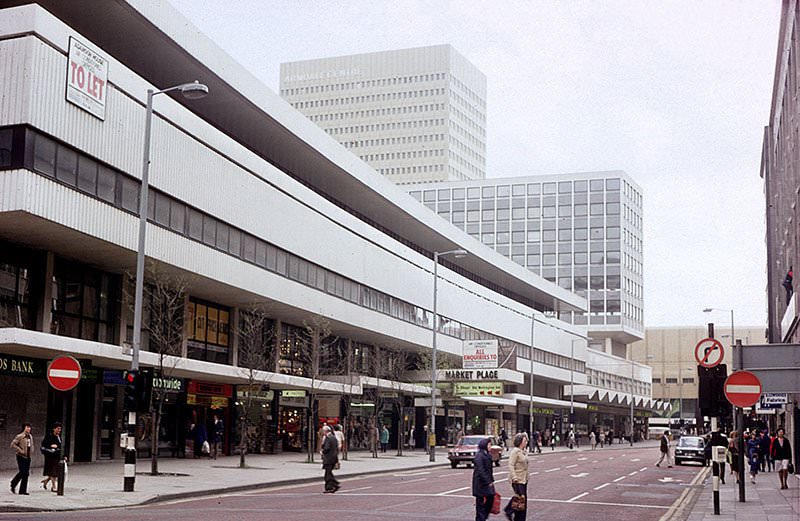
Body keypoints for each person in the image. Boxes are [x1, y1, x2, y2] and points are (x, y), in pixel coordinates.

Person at [503, 433, 529, 521]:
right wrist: (514, 477)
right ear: (520, 442)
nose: (526, 442)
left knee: (521, 500)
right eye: (525, 441)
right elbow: (511, 465)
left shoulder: (523, 451)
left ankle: (518, 517)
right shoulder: (515, 452)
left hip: (524, 479)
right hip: (517, 479)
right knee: (521, 498)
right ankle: (509, 510)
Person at [472, 437, 495, 521]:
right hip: (480, 484)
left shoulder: (487, 454)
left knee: (490, 498)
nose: (490, 446)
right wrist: (488, 481)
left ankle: (482, 517)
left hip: (486, 483)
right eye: (489, 444)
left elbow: (489, 470)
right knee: (480, 503)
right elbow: (481, 470)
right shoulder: (479, 455)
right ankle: (481, 518)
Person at [10, 423, 33, 495]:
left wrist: (31, 451)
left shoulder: (30, 436)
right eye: (27, 427)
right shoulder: (20, 436)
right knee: (23, 472)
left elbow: (31, 445)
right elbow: (12, 444)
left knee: (26, 473)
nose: (29, 429)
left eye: (30, 427)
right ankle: (13, 483)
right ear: (24, 428)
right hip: (21, 456)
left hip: (28, 456)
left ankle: (22, 490)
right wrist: (20, 450)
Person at [40, 422, 63, 492]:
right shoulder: (49, 436)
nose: (59, 430)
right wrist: (51, 445)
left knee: (55, 471)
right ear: (54, 429)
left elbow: (61, 447)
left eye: (60, 429)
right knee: (53, 471)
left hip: (57, 456)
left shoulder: (59, 437)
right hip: (50, 456)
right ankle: (54, 487)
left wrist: (64, 456)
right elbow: (43, 444)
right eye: (58, 429)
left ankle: (46, 481)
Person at [320, 425, 340, 493]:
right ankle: (332, 486)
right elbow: (336, 448)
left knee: (327, 474)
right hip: (333, 457)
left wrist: (322, 451)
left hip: (328, 458)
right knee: (328, 473)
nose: (323, 432)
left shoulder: (328, 438)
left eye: (323, 431)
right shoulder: (334, 438)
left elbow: (327, 448)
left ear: (325, 431)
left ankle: (333, 485)